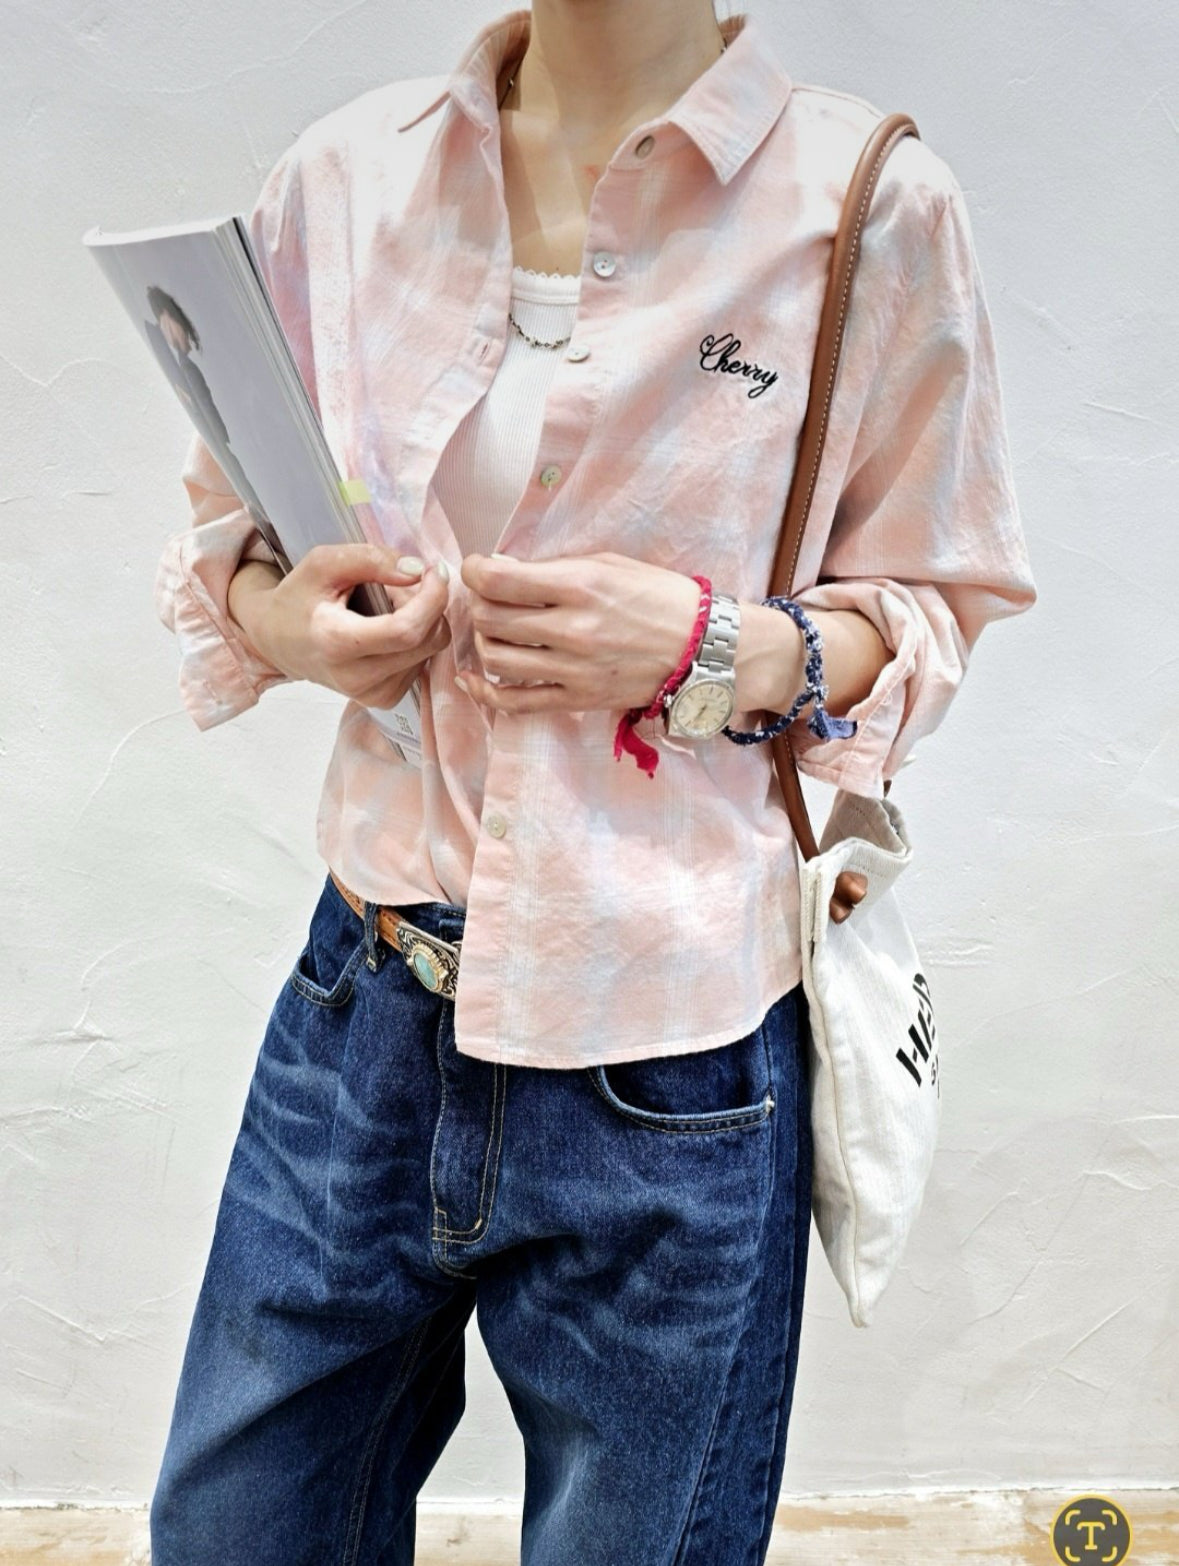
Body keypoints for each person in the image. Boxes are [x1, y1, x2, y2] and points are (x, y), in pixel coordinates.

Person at [147, 3, 1038, 1562]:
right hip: (363, 1004)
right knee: (234, 1528)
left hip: (674, 1050)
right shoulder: (346, 180)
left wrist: (709, 646)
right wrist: (297, 626)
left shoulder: (868, 205)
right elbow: (238, 523)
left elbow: (932, 605)